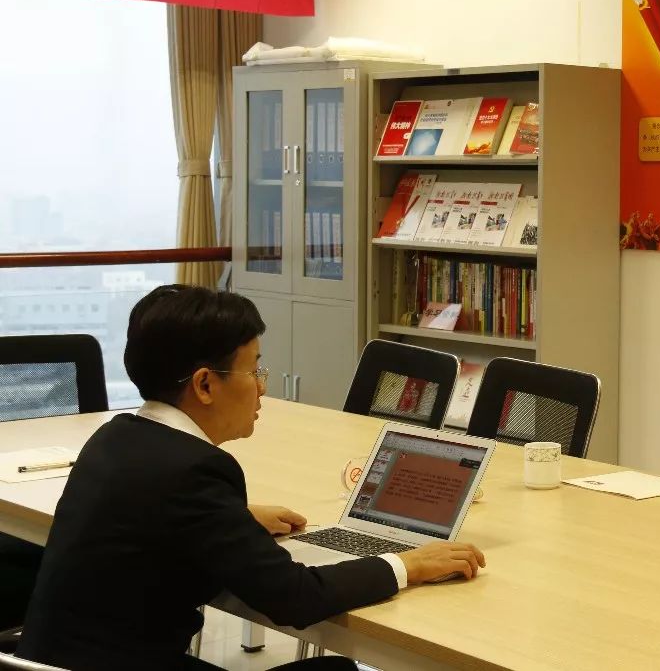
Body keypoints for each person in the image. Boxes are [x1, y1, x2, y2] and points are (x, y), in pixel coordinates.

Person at [18, 285, 485, 671]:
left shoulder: (116, 436)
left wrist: (232, 520)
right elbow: (295, 598)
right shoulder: (194, 471)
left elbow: (154, 517)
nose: (263, 386)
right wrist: (407, 564)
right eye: (253, 369)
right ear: (205, 384)